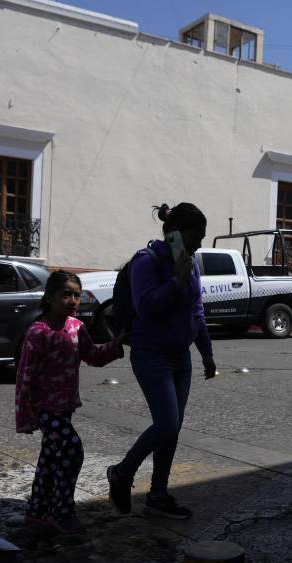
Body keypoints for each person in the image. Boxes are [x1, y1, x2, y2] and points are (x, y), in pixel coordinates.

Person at [106, 203, 217, 520]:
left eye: (201, 238)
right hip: (150, 354)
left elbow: (197, 312)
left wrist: (206, 353)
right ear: (175, 234)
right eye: (195, 237)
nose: (198, 245)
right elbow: (146, 307)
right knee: (166, 423)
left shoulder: (191, 265)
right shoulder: (147, 261)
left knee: (173, 429)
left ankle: (158, 494)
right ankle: (122, 473)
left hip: (181, 358)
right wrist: (175, 282)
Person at [16, 271, 125, 534]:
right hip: (45, 409)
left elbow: (93, 356)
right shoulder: (38, 333)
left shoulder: (77, 328)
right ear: (50, 297)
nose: (72, 300)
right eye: (66, 294)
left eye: (76, 295)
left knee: (50, 459)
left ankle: (37, 513)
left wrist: (115, 344)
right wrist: (25, 416)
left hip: (65, 408)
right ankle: (61, 512)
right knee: (72, 452)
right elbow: (24, 377)